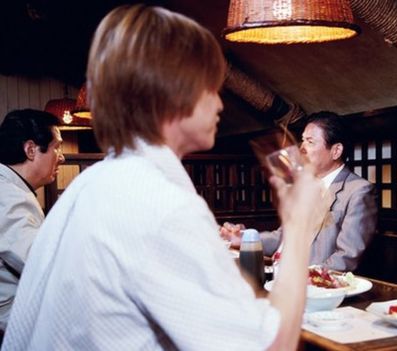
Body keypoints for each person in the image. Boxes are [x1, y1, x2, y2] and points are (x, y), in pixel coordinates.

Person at [2, 5, 327, 350]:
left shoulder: (90, 185)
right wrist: (299, 222)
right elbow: (269, 346)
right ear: (173, 93)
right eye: (210, 88)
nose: (219, 105)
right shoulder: (161, 204)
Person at [221, 112, 378, 271]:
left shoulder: (358, 190)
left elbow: (346, 257)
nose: (301, 149)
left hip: (310, 287)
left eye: (310, 142)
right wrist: (244, 238)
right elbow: (281, 237)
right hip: (276, 274)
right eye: (302, 141)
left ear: (336, 151)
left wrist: (301, 280)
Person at [0, 109, 64, 332]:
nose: (62, 157)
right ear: (30, 150)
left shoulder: (12, 189)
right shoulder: (7, 197)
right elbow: (42, 262)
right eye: (56, 147)